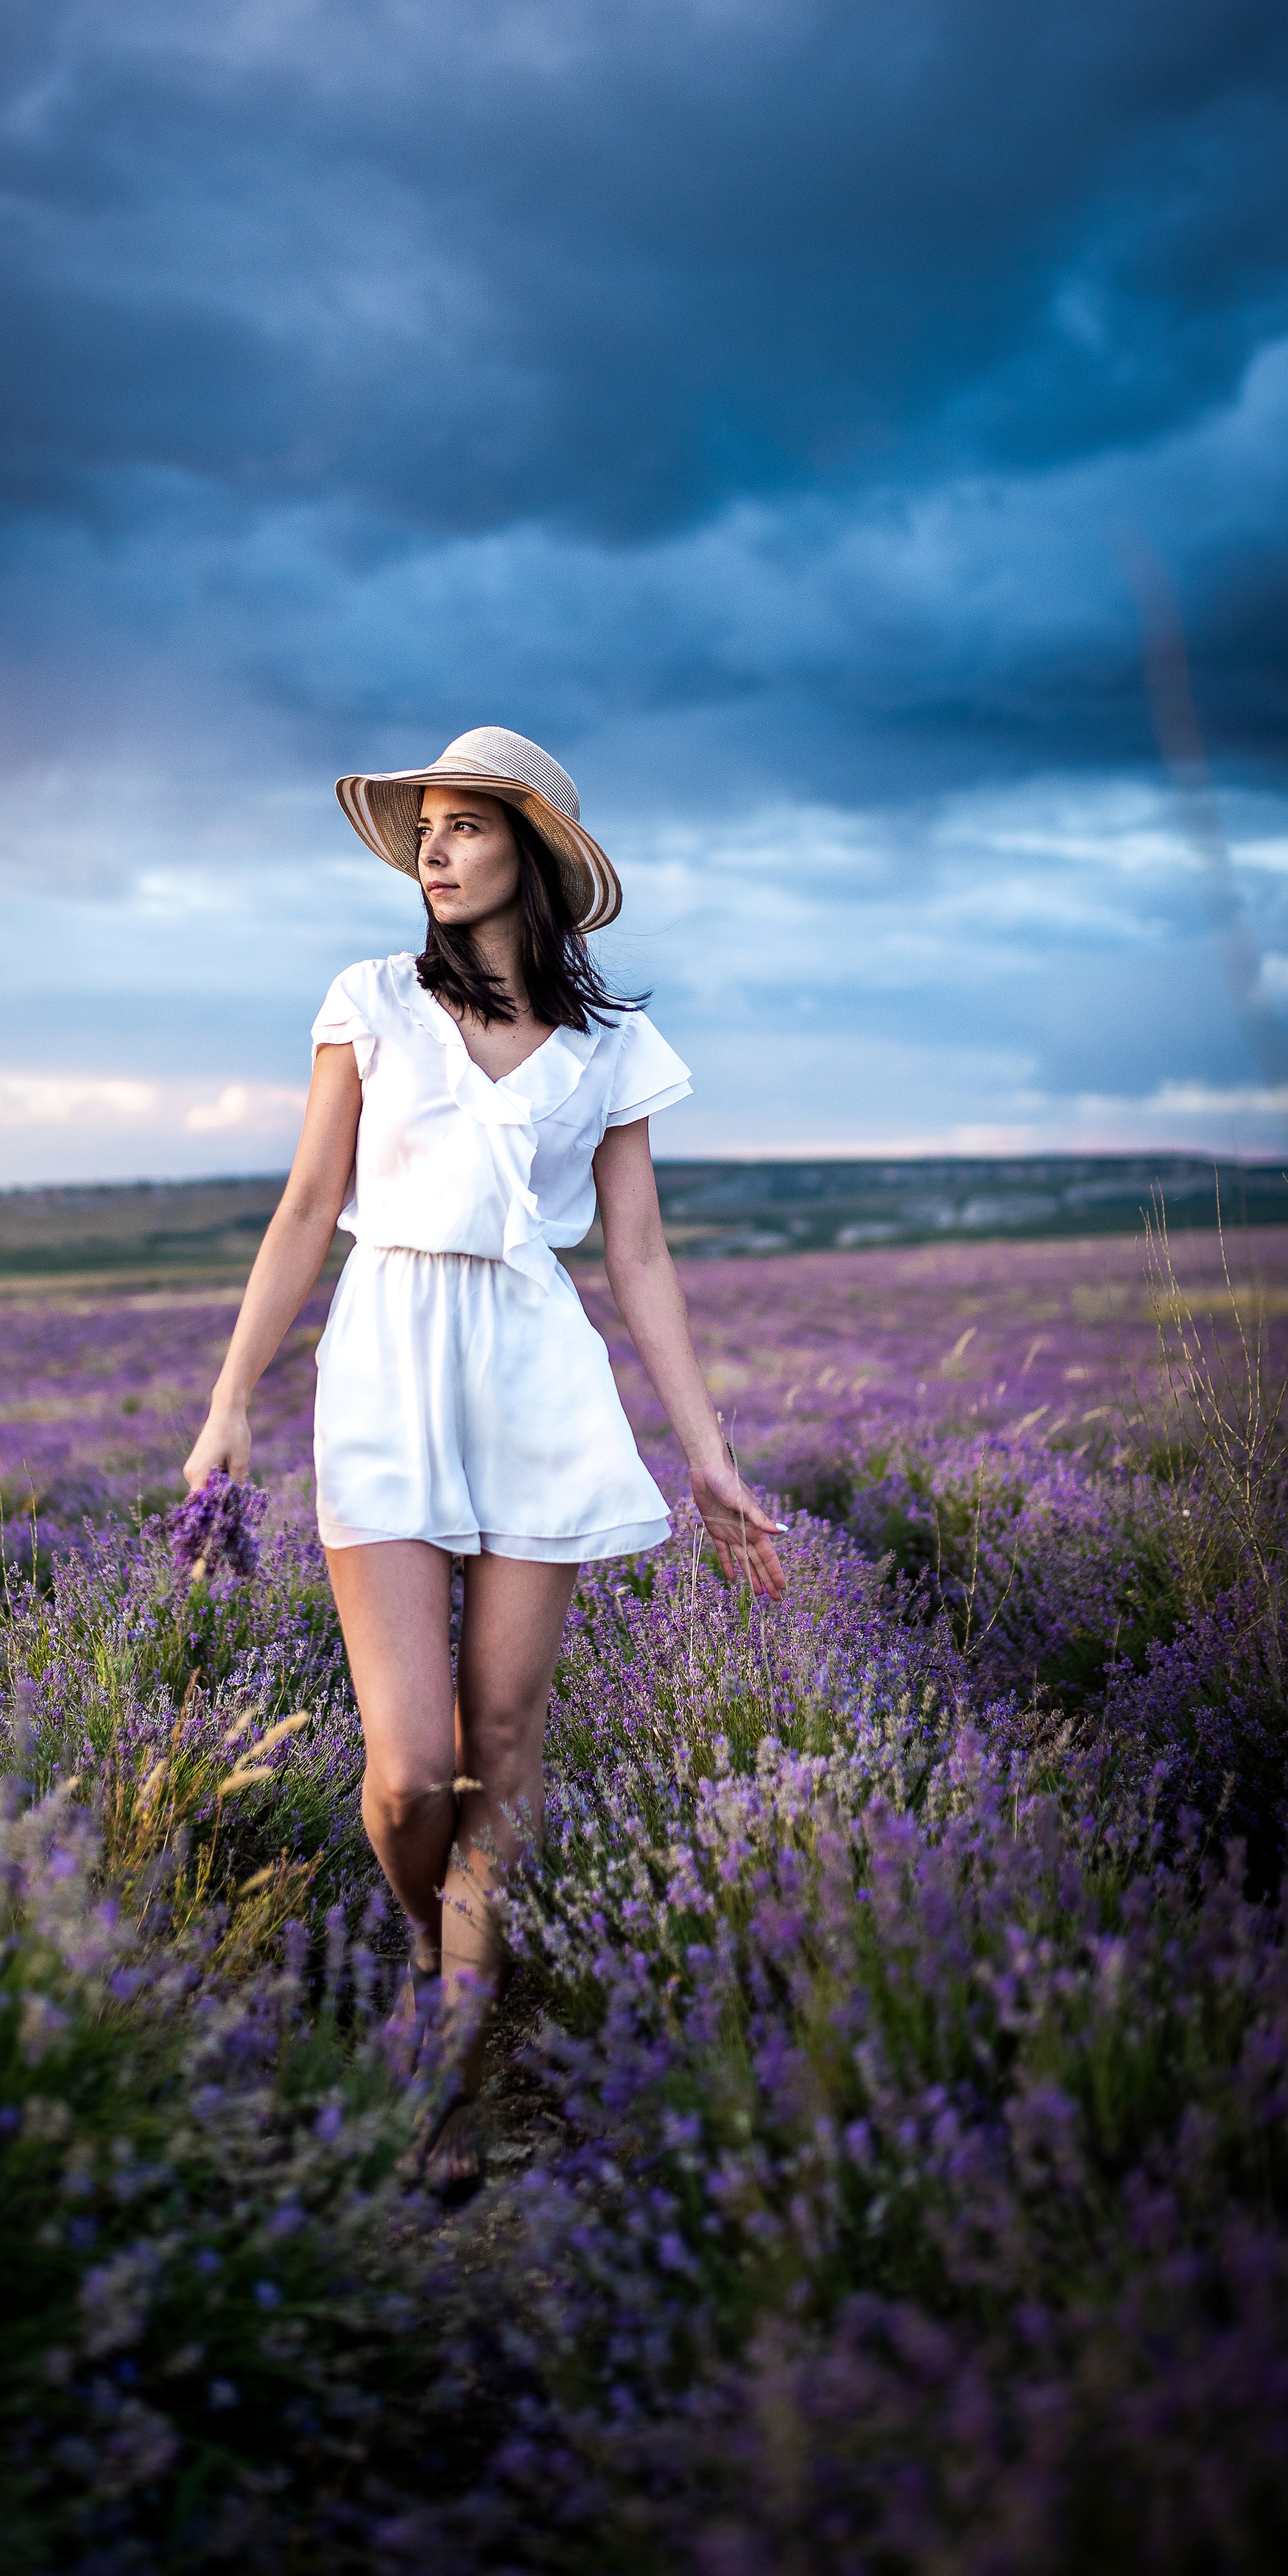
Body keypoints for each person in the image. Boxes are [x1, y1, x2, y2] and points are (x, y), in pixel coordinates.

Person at [184, 726, 786, 2190]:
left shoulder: (612, 1045)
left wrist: (707, 1457)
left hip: (536, 1377)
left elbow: (638, 1256)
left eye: (464, 825)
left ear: (533, 850)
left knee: (501, 1751)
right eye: (426, 828)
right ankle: (429, 1948)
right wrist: (227, 1404)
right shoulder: (370, 1001)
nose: (434, 850)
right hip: (385, 1364)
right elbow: (303, 1209)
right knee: (410, 1773)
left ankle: (448, 2061)